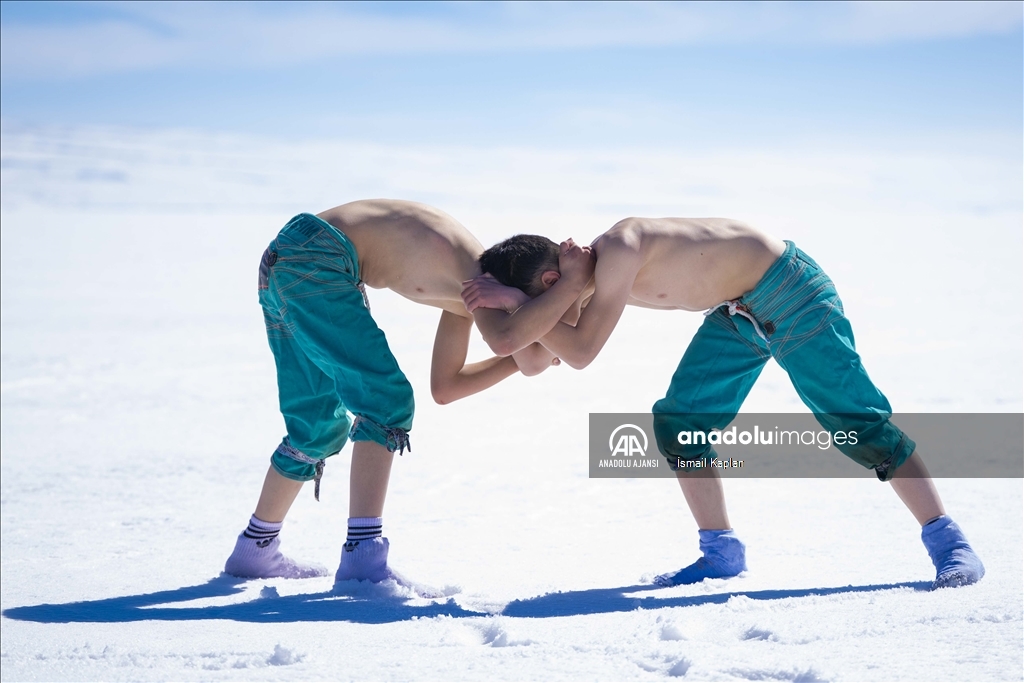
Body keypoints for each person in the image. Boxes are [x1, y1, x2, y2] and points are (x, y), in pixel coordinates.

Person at [462, 217, 984, 590]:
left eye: (543, 297)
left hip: (792, 294)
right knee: (680, 422)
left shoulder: (618, 248)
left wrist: (516, 305)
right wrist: (525, 307)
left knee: (859, 425)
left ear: (551, 281)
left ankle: (950, 545)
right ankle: (721, 554)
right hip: (739, 313)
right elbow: (539, 358)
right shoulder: (586, 281)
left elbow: (578, 353)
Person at [224, 200, 557, 584]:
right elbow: (525, 355)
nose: (526, 320)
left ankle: (254, 550)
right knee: (386, 400)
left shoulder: (468, 294)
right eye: (534, 310)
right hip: (321, 256)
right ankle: (364, 559)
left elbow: (446, 387)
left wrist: (519, 352)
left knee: (315, 425)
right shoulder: (478, 280)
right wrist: (525, 321)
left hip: (292, 258)